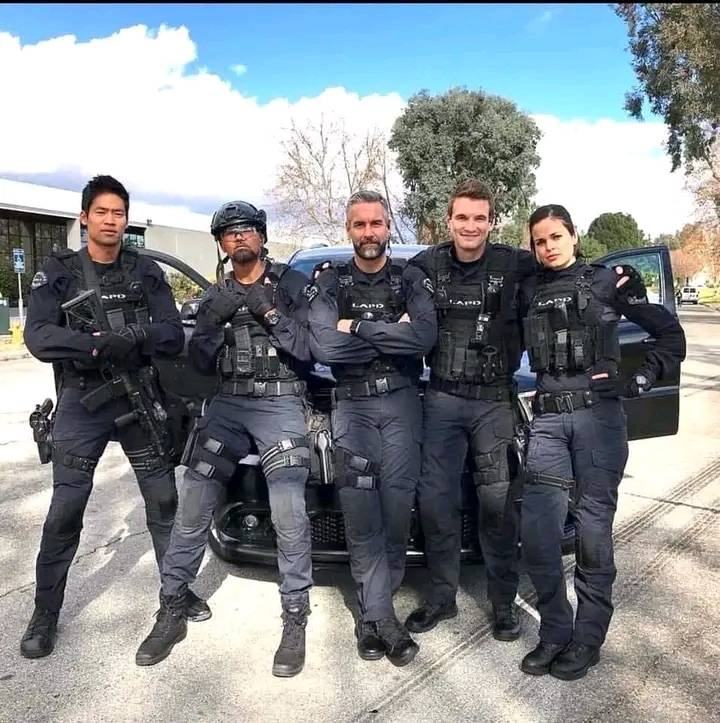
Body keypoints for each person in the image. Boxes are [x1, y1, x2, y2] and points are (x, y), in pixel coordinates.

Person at [20, 174, 209, 660]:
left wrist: (136, 337)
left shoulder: (144, 271)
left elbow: (172, 333)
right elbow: (38, 336)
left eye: (118, 213)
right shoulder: (59, 271)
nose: (110, 221)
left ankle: (176, 591)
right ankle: (45, 613)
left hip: (137, 396)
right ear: (84, 218)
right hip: (82, 401)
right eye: (101, 212)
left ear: (127, 220)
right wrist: (94, 345)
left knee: (164, 503)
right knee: (66, 510)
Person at [135, 200, 315, 678]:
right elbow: (198, 365)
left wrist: (267, 311)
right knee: (193, 503)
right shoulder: (215, 294)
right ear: (221, 243)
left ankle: (295, 617)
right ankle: (171, 606)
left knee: (288, 510)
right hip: (229, 405)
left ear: (262, 236)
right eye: (230, 232)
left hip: (280, 403)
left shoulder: (291, 285)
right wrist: (209, 326)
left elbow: (308, 349)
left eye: (247, 229)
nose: (239, 237)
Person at [518, 203, 686, 680]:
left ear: (573, 236)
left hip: (599, 421)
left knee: (592, 536)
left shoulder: (607, 282)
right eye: (539, 241)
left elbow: (669, 336)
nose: (548, 247)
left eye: (556, 237)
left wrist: (639, 381)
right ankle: (555, 632)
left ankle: (587, 640)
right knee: (539, 534)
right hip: (548, 420)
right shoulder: (527, 288)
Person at [307, 190, 437, 667]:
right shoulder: (329, 283)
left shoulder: (410, 279)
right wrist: (392, 333)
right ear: (349, 229)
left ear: (388, 227)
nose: (368, 232)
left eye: (376, 223)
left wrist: (357, 328)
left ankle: (372, 616)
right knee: (361, 515)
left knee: (397, 512)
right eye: (359, 224)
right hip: (353, 408)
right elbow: (324, 349)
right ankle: (382, 621)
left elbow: (423, 338)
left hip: (402, 404)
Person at [404, 179, 536, 640]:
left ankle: (503, 604)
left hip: (493, 403)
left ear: (492, 222)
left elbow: (566, 270)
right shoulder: (425, 265)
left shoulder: (516, 264)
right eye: (462, 217)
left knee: (498, 505)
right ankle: (441, 599)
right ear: (449, 220)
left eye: (480, 217)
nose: (470, 226)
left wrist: (615, 279)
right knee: (436, 502)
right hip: (441, 399)